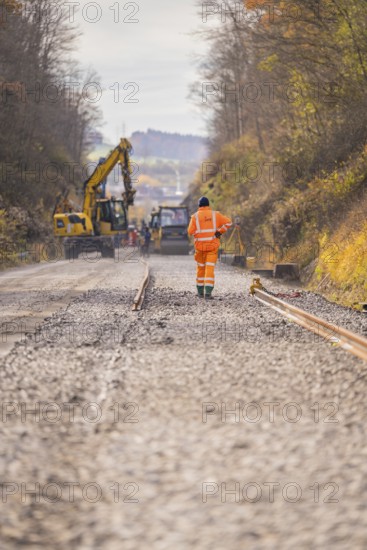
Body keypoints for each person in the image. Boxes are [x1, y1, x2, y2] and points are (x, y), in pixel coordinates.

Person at [188, 197, 232, 299]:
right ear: (208, 205)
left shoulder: (194, 217)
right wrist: (220, 231)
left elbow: (190, 231)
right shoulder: (215, 215)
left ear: (199, 206)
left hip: (200, 247)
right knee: (210, 268)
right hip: (212, 247)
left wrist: (197, 234)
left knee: (200, 269)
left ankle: (200, 292)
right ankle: (208, 293)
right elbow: (229, 222)